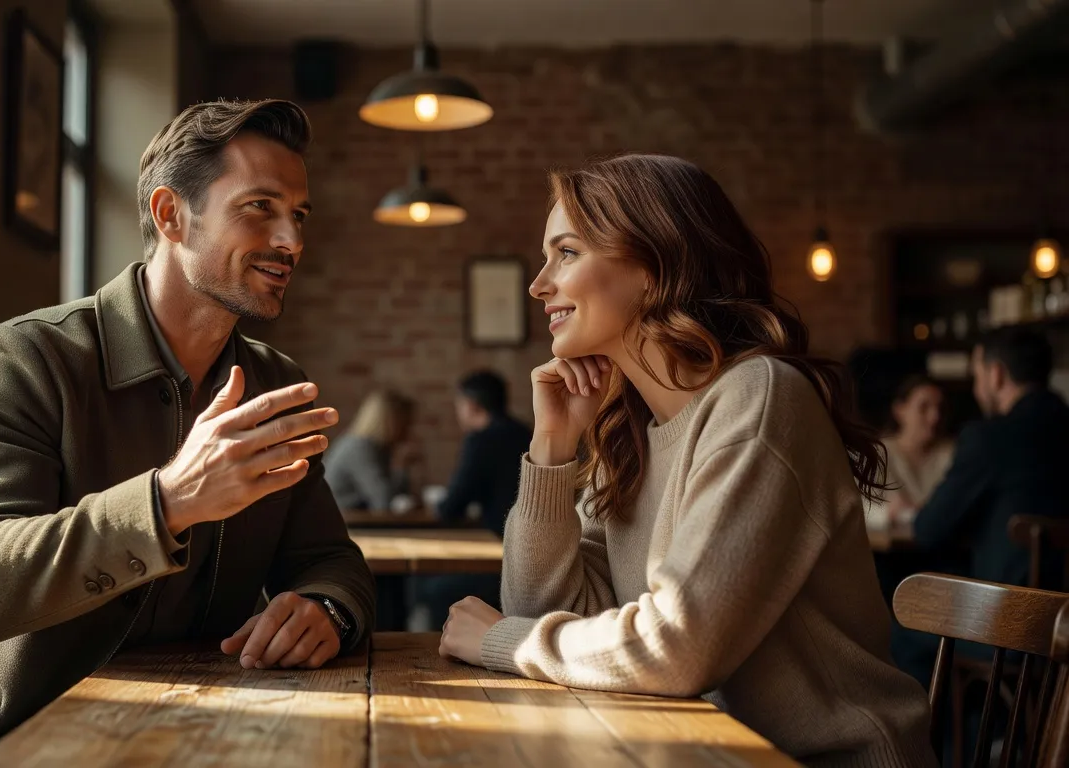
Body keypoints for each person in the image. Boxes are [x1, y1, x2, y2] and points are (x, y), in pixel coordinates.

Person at [0, 100, 375, 768]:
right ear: (170, 216)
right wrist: (168, 502)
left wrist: (325, 609)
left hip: (180, 733)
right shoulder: (19, 361)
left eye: (299, 215)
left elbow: (330, 559)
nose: (292, 241)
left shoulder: (273, 381)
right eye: (259, 207)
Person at [436, 154, 935, 767]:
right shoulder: (631, 434)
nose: (539, 284)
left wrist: (501, 644)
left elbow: (676, 647)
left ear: (653, 266)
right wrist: (552, 449)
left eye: (566, 253)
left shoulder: (759, 398)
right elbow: (543, 614)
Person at [913, 328, 1069, 588]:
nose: (976, 388)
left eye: (977, 376)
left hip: (1006, 617)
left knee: (895, 623)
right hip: (1064, 618)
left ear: (996, 375)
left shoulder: (989, 438)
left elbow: (928, 529)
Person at [435, 370, 533, 537]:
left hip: (498, 539)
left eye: (459, 405)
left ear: (472, 405)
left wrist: (439, 506)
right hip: (534, 535)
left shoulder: (480, 440)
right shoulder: (528, 434)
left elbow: (454, 504)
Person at [865, 375, 954, 529]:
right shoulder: (876, 454)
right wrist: (887, 512)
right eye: (923, 407)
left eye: (940, 408)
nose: (935, 417)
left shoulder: (953, 453)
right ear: (900, 410)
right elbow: (857, 507)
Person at [324, 389, 417, 511]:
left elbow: (396, 499)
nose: (408, 431)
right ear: (391, 422)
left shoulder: (380, 448)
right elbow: (384, 502)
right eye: (406, 424)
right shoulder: (360, 448)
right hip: (341, 522)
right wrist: (400, 467)